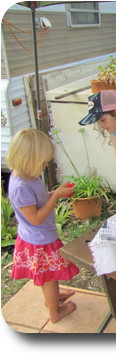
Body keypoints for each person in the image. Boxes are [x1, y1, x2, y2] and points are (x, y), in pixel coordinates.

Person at [6, 128, 80, 323]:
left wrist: (55, 193)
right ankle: (55, 312)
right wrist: (55, 196)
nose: (46, 164)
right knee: (49, 277)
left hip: (38, 237)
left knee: (47, 276)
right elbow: (36, 218)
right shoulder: (20, 187)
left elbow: (36, 203)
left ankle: (52, 298)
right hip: (39, 241)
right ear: (28, 159)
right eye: (43, 161)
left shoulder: (28, 176)